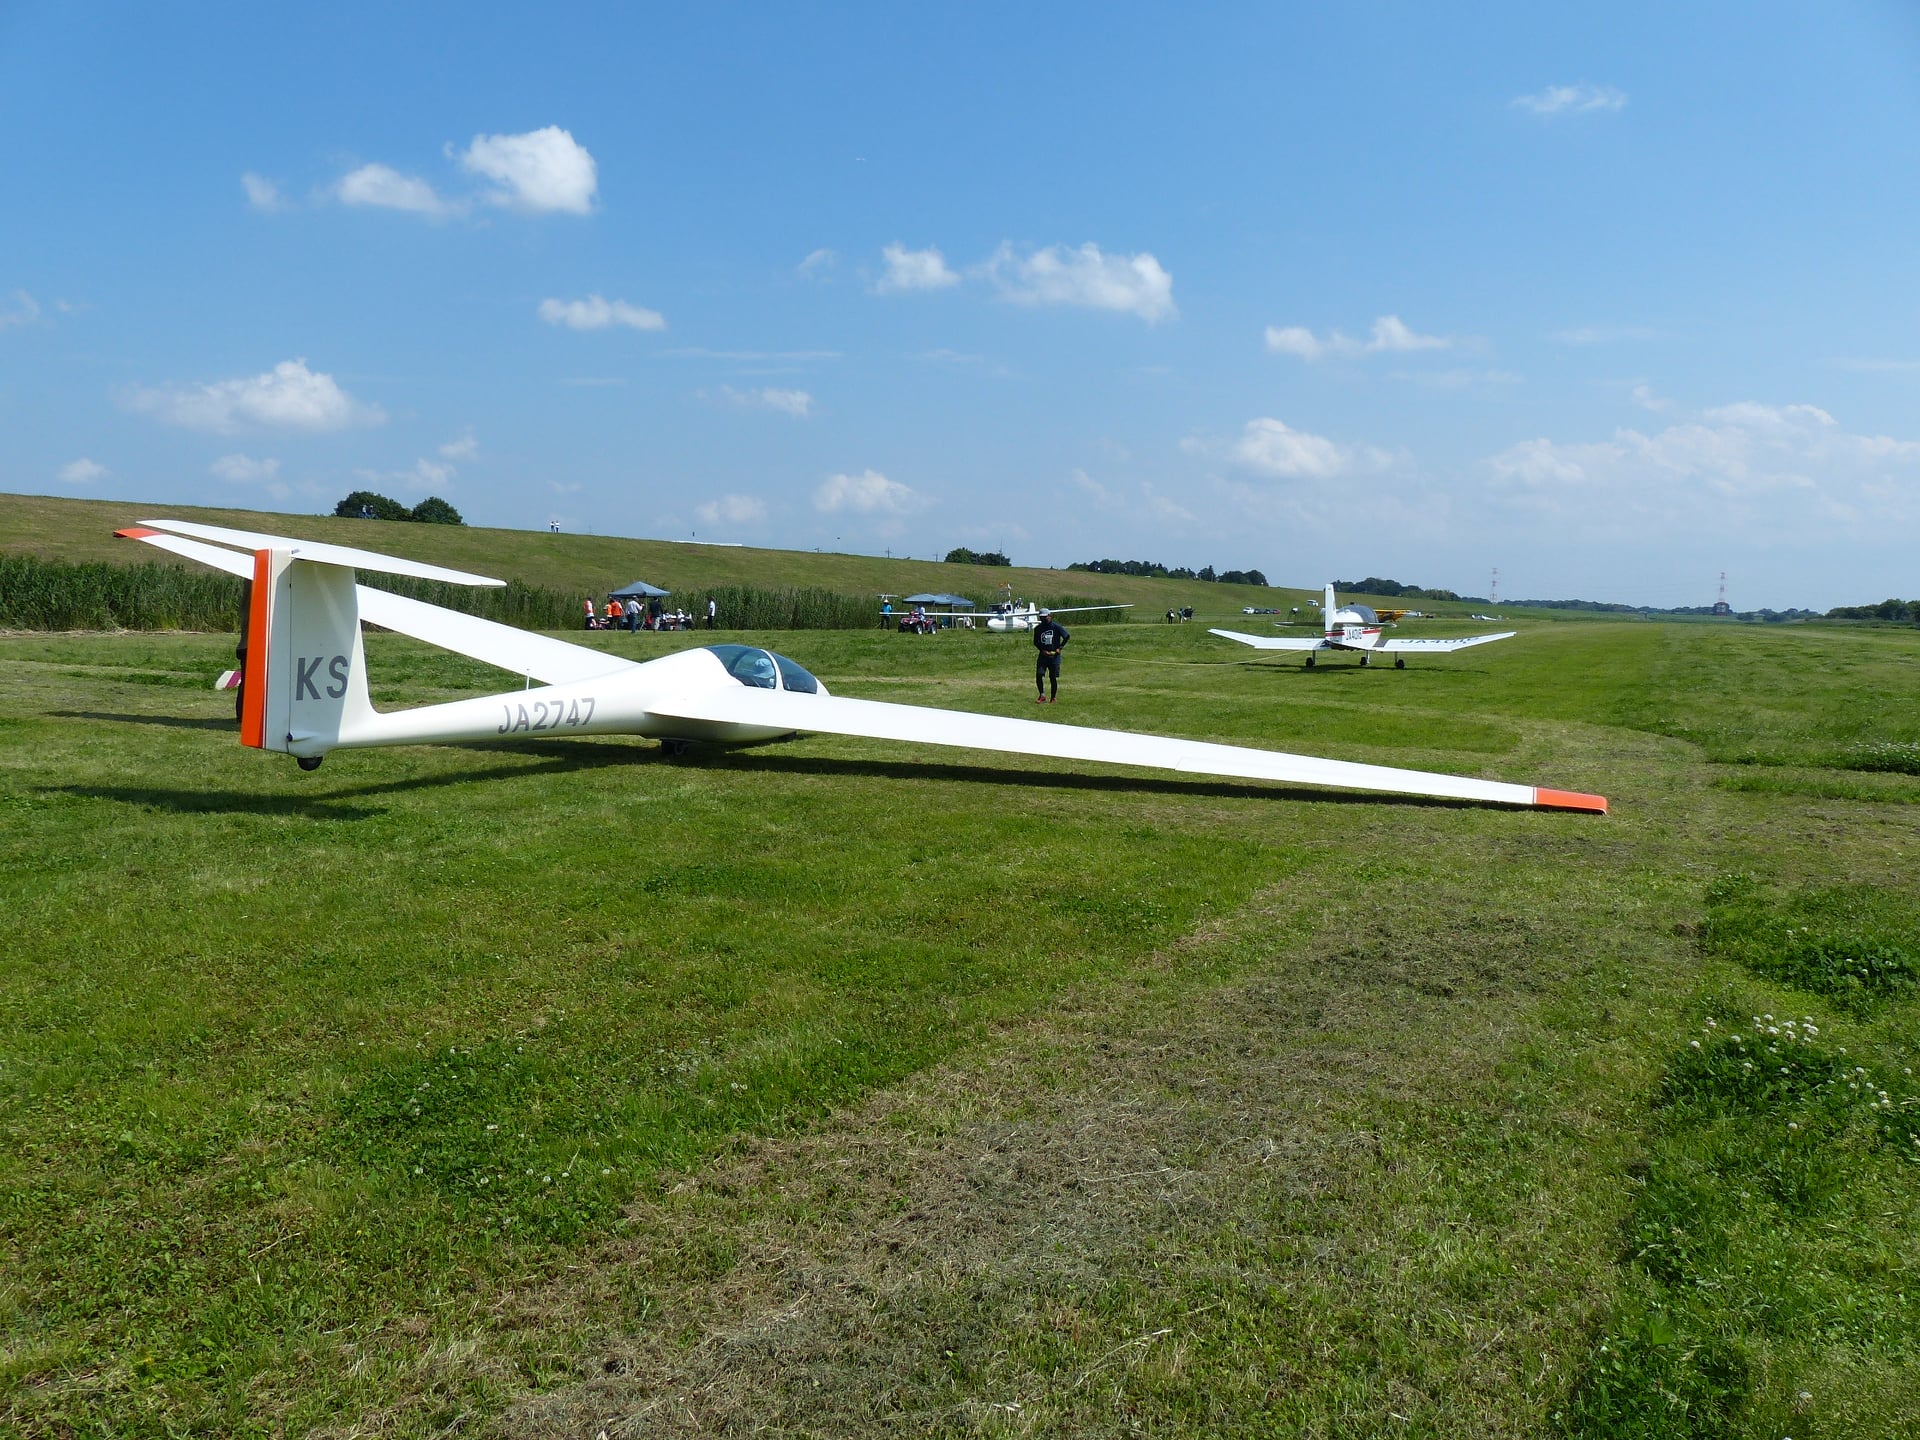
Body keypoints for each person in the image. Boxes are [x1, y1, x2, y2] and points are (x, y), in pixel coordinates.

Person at [1032, 609, 1069, 702]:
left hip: (1054, 657)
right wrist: (1042, 650)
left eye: (1045, 617)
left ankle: (1053, 697)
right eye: (1041, 617)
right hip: (1043, 656)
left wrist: (1059, 648)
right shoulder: (1038, 628)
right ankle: (1042, 695)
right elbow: (1035, 642)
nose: (1044, 619)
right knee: (1039, 675)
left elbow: (1067, 636)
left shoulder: (1056, 626)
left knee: (1052, 677)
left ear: (1049, 616)